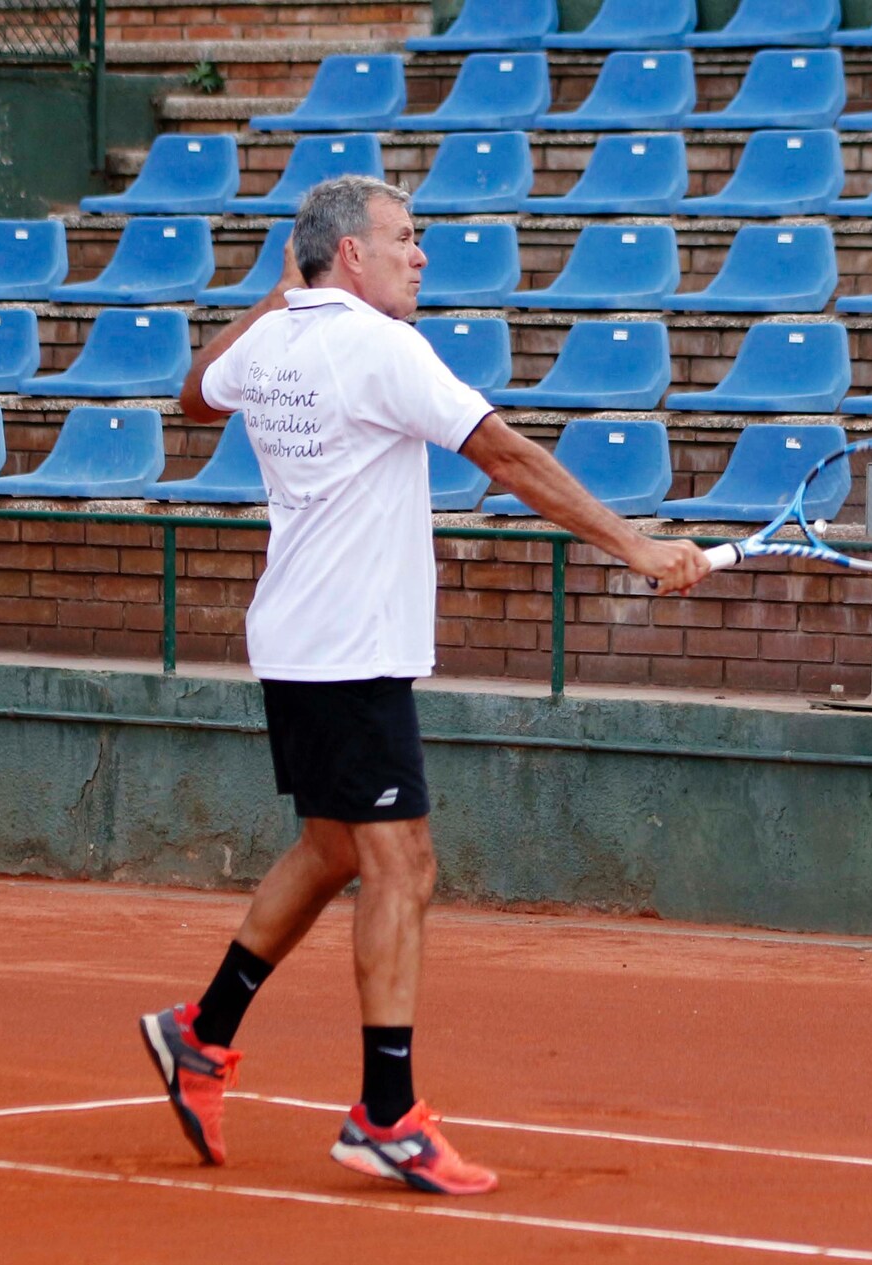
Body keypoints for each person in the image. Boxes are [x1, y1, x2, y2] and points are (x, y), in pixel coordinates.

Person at [139, 174, 709, 1197]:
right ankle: (386, 1114)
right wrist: (635, 544)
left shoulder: (268, 342)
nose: (421, 254)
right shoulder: (381, 347)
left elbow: (192, 394)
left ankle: (202, 1030)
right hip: (351, 647)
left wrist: (278, 294)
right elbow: (505, 454)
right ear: (351, 254)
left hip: (298, 642)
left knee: (332, 849)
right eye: (403, 237)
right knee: (403, 867)